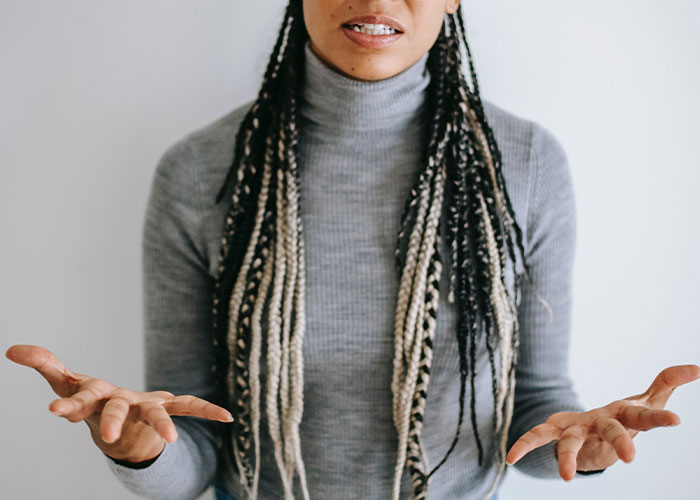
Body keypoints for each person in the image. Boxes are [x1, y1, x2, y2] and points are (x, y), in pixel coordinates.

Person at [6, 1, 699, 499]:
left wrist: (590, 449)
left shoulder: (525, 164)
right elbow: (198, 440)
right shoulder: (200, 174)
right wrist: (140, 450)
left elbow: (537, 421)